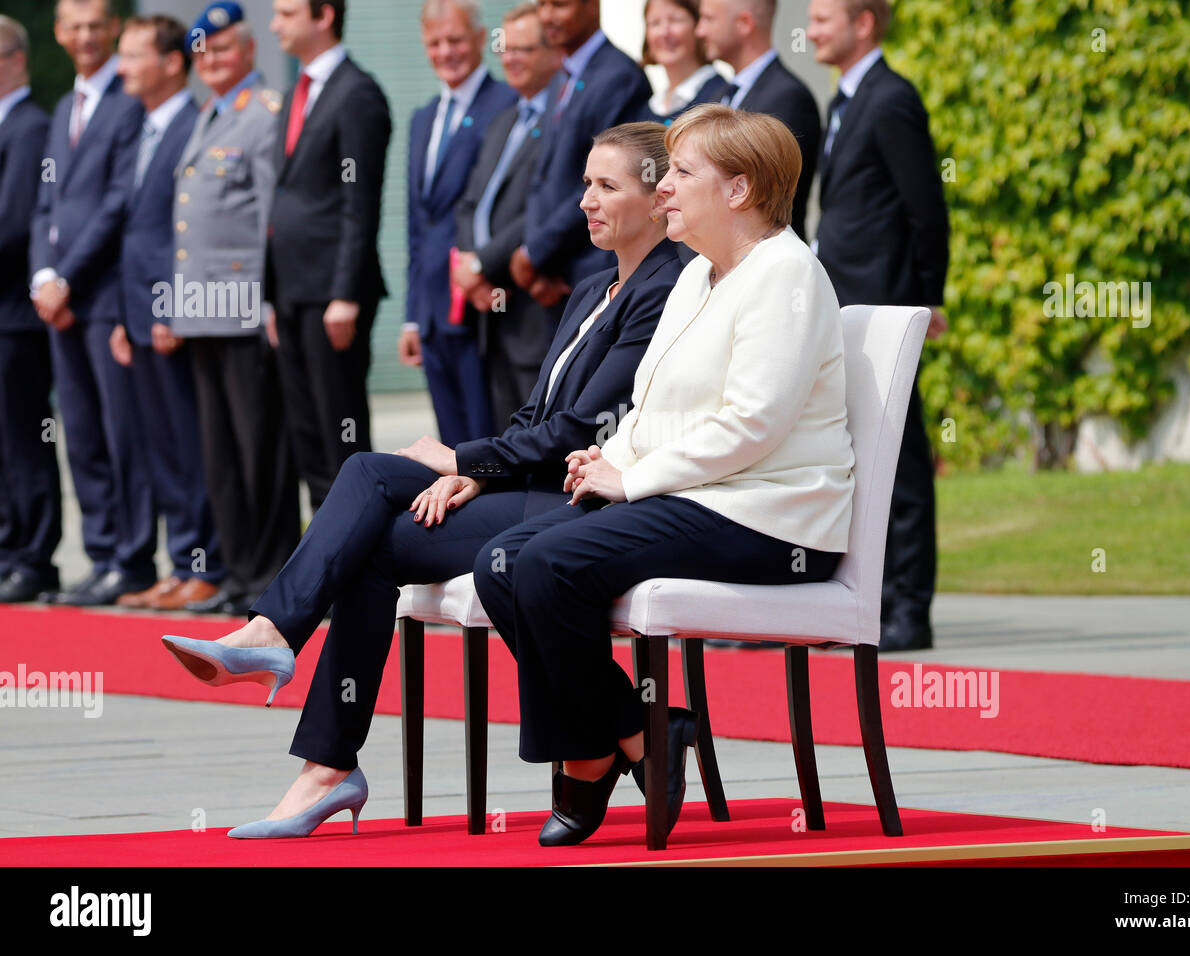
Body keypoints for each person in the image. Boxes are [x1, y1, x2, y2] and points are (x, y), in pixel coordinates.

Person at [159, 123, 683, 839]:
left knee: (369, 479)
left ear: (660, 198)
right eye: (586, 182)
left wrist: (467, 463)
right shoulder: (592, 286)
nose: (585, 201)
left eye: (607, 186)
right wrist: (480, 475)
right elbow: (536, 413)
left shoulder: (667, 286)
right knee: (369, 534)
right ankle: (322, 756)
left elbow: (580, 431)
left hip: (586, 497)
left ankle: (286, 660)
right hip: (527, 484)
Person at [472, 104, 855, 847]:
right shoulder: (701, 275)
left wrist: (633, 478)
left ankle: (595, 759)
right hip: (699, 494)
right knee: (501, 562)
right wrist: (614, 458)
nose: (665, 187)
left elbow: (753, 424)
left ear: (739, 190)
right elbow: (649, 401)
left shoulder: (786, 275)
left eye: (681, 173)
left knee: (547, 564)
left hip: (767, 517)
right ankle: (634, 733)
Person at [808, 0, 948, 651]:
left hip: (889, 307)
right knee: (868, 458)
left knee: (905, 461)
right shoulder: (845, 100)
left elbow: (926, 211)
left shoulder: (891, 98)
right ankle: (875, 601)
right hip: (851, 308)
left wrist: (927, 302)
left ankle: (909, 609)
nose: (811, 30)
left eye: (823, 17)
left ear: (864, 22)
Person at [172, 2, 301, 617]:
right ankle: (238, 570)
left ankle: (272, 571)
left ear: (248, 52)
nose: (214, 61)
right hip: (202, 309)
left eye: (225, 50)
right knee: (220, 450)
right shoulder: (208, 115)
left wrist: (270, 294)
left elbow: (271, 219)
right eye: (205, 52)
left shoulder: (265, 115)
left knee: (260, 449)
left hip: (246, 307)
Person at [29, 0, 152, 606]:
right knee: (79, 435)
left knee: (120, 432)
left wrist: (68, 280)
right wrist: (43, 277)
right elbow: (45, 204)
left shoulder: (129, 104)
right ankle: (101, 554)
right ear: (58, 33)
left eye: (94, 25)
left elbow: (116, 205)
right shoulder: (62, 110)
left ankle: (133, 560)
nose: (84, 36)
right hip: (61, 302)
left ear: (112, 31)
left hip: (102, 298)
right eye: (73, 26)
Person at [110, 14, 226, 611]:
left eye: (133, 55)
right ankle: (182, 562)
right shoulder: (139, 126)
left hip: (171, 310)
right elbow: (129, 226)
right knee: (161, 445)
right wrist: (122, 316)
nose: (122, 67)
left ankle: (207, 563)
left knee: (189, 441)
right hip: (135, 310)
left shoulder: (191, 124)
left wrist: (170, 308)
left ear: (172, 62)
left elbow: (187, 232)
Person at [265, 0, 392, 511]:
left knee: (340, 435)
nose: (276, 23)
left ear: (323, 16)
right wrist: (271, 295)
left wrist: (344, 293)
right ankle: (323, 555)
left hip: (330, 296)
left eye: (287, 12)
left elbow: (359, 205)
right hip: (292, 291)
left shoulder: (356, 93)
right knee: (307, 437)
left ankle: (354, 559)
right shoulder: (297, 91)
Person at [399, 0, 517, 448]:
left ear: (478, 41)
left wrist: (485, 273)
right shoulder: (423, 117)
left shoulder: (506, 104)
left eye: (455, 40)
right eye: (434, 42)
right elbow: (418, 223)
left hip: (483, 303)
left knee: (487, 442)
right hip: (433, 310)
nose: (445, 51)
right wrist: (412, 318)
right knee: (450, 445)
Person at [451, 1, 564, 433]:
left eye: (524, 49)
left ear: (554, 52)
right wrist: (468, 266)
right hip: (488, 310)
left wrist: (482, 264)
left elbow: (544, 208)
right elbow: (469, 204)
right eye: (506, 49)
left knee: (539, 440)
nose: (511, 59)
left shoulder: (561, 119)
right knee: (501, 439)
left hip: (533, 308)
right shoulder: (504, 120)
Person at [509, 0, 653, 307]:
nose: (547, 16)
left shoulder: (620, 76)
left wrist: (536, 252)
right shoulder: (562, 74)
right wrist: (536, 257)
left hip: (591, 269)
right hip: (550, 274)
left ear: (593, 6)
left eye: (560, 5)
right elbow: (543, 176)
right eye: (542, 5)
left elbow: (608, 181)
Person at [0, 15, 61, 604]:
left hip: (14, 316)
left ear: (15, 59)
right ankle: (9, 548)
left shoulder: (27, 126)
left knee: (24, 440)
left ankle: (33, 556)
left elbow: (14, 223)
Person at [695, 0, 820, 241]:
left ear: (744, 23)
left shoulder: (788, 98)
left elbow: (767, 198)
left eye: (709, 19)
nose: (700, 31)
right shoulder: (718, 96)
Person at [643, 0, 728, 122]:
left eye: (675, 20)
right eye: (655, 23)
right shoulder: (647, 106)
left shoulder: (720, 99)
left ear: (699, 27)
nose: (664, 33)